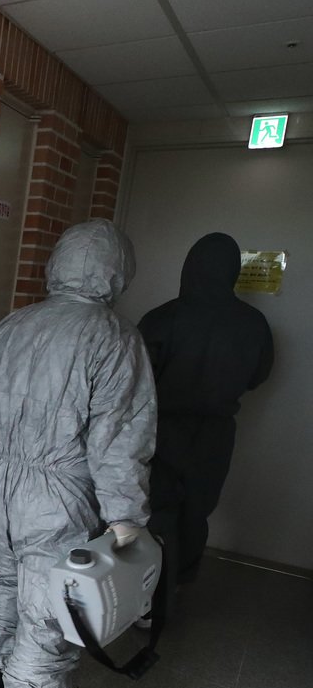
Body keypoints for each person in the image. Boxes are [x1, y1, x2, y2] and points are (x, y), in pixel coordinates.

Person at [0, 219, 156, 688]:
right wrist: (125, 514)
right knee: (47, 602)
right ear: (117, 271)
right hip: (59, 490)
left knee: (3, 577)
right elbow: (120, 437)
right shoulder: (113, 337)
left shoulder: (13, 324)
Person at [139, 233, 273, 586]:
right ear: (233, 272)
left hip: (159, 430)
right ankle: (178, 586)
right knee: (196, 513)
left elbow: (132, 380)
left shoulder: (161, 318)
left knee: (152, 510)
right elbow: (258, 376)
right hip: (215, 434)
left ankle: (145, 599)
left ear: (190, 266)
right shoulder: (254, 323)